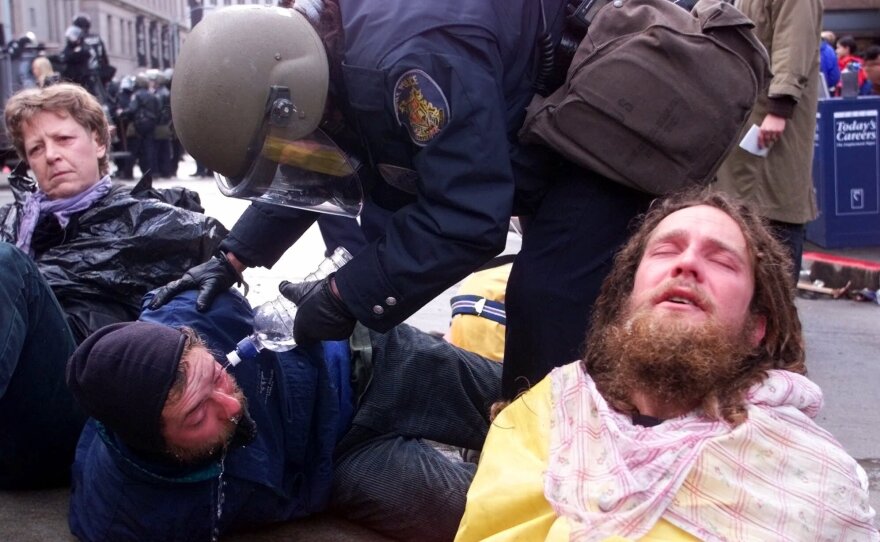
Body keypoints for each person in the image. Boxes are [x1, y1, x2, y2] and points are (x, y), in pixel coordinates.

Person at [152, 1, 654, 402]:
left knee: (548, 302)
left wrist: (343, 298)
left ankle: (553, 476)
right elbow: (324, 159)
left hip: (614, 123)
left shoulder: (415, 62)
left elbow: (467, 215)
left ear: (296, 96)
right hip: (531, 119)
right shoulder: (312, 51)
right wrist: (235, 255)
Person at [455, 190, 878, 541]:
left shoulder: (814, 479)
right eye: (666, 249)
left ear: (757, 328)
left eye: (722, 260)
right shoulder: (544, 416)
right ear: (625, 301)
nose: (687, 263)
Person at [66, 287, 501, 541]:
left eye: (216, 375)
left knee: (530, 407)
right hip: (342, 467)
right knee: (488, 515)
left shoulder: (192, 313)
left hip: (369, 362)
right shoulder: (127, 514)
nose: (232, 405)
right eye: (198, 416)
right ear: (154, 443)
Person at [0, 83, 227, 489]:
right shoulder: (14, 223)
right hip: (10, 423)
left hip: (75, 409)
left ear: (100, 141)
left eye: (64, 138)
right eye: (35, 149)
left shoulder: (151, 223)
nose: (51, 155)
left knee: (5, 263)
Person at [714, 0, 822, 284]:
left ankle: (777, 321)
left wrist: (781, 106)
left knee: (773, 214)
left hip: (768, 131)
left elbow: (793, 42)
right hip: (739, 133)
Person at [59, 13, 113, 103]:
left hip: (82, 77)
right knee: (102, 102)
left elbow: (68, 55)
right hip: (98, 77)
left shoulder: (78, 38)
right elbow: (104, 58)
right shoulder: (97, 38)